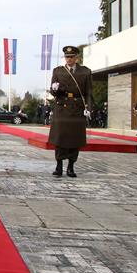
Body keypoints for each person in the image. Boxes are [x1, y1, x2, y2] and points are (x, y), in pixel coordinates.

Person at [48, 46, 93, 177]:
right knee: (60, 138)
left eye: (72, 57)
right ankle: (59, 165)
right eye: (67, 57)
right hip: (62, 107)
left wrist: (89, 108)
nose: (69, 59)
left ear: (77, 58)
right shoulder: (58, 71)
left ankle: (71, 166)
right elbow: (53, 91)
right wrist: (55, 89)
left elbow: (89, 92)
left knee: (75, 138)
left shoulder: (85, 72)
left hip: (77, 108)